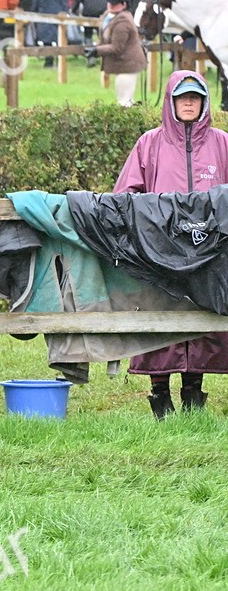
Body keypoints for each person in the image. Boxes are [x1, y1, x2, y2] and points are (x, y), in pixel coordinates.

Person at [112, 71, 228, 419]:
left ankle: (193, 390)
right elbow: (125, 194)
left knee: (201, 319)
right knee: (160, 319)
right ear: (171, 101)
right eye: (182, 97)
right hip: (160, 252)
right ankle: (159, 393)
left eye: (195, 96)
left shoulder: (223, 143)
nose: (189, 102)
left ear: (205, 102)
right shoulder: (149, 143)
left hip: (208, 252)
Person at [85, 0, 146, 107]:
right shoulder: (109, 15)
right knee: (124, 100)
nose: (111, 5)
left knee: (124, 101)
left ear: (124, 4)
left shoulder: (123, 22)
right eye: (110, 2)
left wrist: (97, 51)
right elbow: (104, 37)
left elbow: (117, 48)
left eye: (115, 3)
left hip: (128, 65)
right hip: (122, 64)